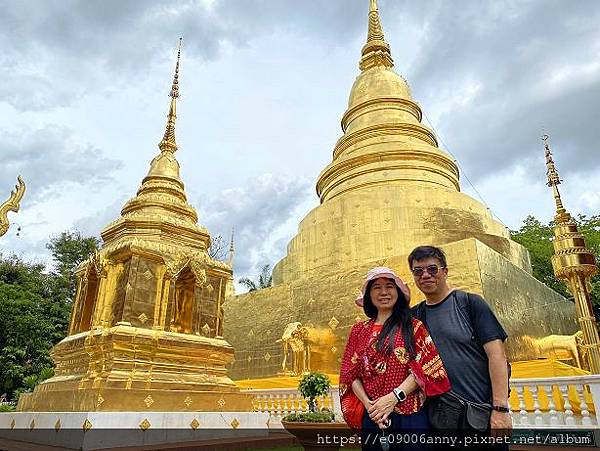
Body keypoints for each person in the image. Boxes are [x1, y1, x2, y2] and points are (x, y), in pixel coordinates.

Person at [409, 246, 512, 450]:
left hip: (481, 416)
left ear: (445, 271)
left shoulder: (469, 304)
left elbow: (497, 355)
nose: (426, 275)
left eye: (432, 269)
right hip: (442, 420)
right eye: (418, 271)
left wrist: (500, 409)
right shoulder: (415, 316)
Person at [340, 267, 451, 451]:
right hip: (374, 416)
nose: (384, 292)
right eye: (377, 287)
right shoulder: (358, 331)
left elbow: (425, 366)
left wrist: (394, 397)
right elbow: (351, 374)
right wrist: (369, 406)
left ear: (398, 291)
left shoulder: (413, 326)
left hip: (409, 415)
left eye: (389, 286)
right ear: (369, 294)